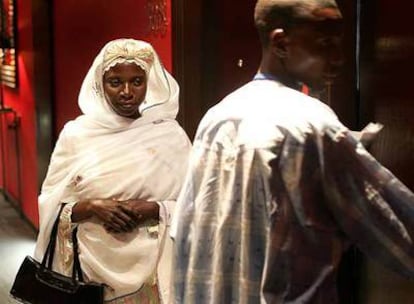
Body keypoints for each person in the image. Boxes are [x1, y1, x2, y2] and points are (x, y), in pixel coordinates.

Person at [170, 1, 414, 303]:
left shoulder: (217, 117)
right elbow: (397, 225)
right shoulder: (313, 126)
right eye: (326, 43)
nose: (338, 58)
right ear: (281, 42)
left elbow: (184, 233)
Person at [34, 38, 191, 303]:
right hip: (88, 271)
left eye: (137, 82)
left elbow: (195, 204)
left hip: (153, 273)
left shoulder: (170, 135)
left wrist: (155, 209)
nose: (127, 92)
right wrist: (93, 207)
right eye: (115, 82)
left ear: (149, 83)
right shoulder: (77, 134)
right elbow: (52, 204)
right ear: (100, 83)